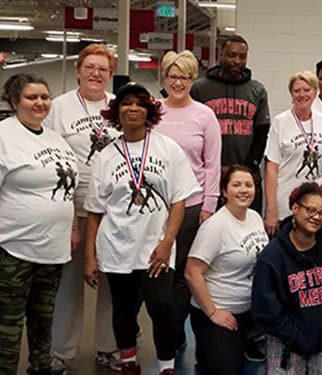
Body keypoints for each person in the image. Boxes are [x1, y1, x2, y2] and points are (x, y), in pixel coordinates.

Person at [84, 82, 201, 375]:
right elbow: (95, 212)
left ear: (148, 110)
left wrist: (167, 242)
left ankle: (166, 365)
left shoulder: (167, 148)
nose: (132, 108)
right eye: (125, 104)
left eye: (139, 103)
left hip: (155, 248)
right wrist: (90, 257)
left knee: (162, 306)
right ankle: (128, 361)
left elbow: (179, 201)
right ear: (117, 112)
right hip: (116, 247)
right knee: (123, 310)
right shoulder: (106, 156)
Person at [42, 43, 121, 372]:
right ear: (77, 70)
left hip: (114, 210)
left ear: (110, 74)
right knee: (70, 282)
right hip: (73, 206)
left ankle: (109, 346)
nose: (95, 73)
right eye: (89, 67)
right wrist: (73, 221)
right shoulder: (59, 107)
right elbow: (49, 156)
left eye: (103, 69)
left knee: (112, 282)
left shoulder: (119, 106)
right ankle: (61, 351)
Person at [0, 74, 77, 375]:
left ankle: (41, 366)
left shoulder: (54, 137)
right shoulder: (4, 136)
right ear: (15, 101)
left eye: (45, 97)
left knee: (44, 317)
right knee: (7, 323)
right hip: (13, 248)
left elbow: (67, 191)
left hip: (52, 249)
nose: (40, 103)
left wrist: (72, 228)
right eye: (32, 97)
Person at [252, 182, 322, 375]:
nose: (316, 217)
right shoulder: (271, 258)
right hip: (286, 337)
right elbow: (265, 311)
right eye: (310, 210)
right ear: (294, 208)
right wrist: (294, 336)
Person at [157, 49, 222, 352]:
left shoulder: (204, 115)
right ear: (164, 77)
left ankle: (175, 331)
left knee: (182, 274)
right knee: (158, 274)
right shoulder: (154, 111)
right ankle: (162, 328)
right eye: (173, 75)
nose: (178, 82)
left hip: (193, 204)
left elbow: (212, 163)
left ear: (192, 79)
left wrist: (208, 206)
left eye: (184, 76)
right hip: (155, 206)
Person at [185, 165, 269, 374]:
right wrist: (213, 312)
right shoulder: (215, 226)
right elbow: (191, 272)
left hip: (247, 311)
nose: (243, 190)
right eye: (236, 185)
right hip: (217, 311)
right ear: (224, 191)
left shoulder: (255, 217)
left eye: (248, 185)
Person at [190, 34, 270, 213]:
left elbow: (262, 134)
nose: (237, 61)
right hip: (210, 176)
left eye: (242, 57)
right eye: (231, 55)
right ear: (221, 55)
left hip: (246, 175)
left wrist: (247, 168)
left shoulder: (257, 90)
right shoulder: (200, 89)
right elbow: (193, 133)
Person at [264, 71, 322, 235]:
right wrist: (271, 209)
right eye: (297, 91)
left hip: (315, 206)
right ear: (291, 94)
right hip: (286, 204)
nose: (302, 95)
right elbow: (271, 168)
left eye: (307, 90)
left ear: (315, 92)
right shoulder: (281, 122)